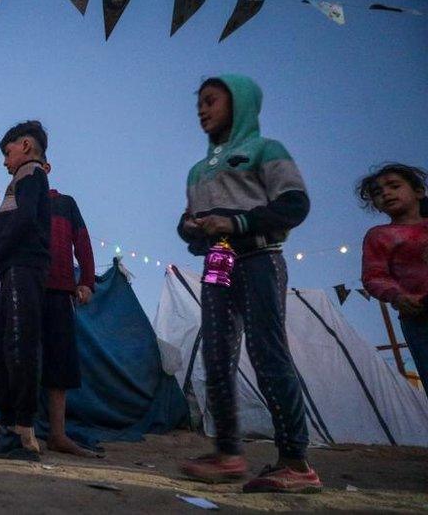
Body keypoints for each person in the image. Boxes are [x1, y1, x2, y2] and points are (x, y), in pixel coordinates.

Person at [177, 76, 322, 493]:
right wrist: (191, 227)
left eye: (211, 101)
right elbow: (187, 222)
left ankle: (296, 462)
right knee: (217, 353)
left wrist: (237, 222)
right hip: (218, 259)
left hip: (258, 256)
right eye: (198, 104)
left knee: (266, 350)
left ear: (239, 104)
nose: (202, 110)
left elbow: (294, 204)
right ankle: (228, 453)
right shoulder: (197, 170)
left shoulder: (265, 149)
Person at [0, 120, 51, 461]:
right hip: (11, 270)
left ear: (26, 147)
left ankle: (23, 431)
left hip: (23, 269)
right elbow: (13, 221)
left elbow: (27, 220)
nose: (4, 161)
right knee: (1, 348)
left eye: (7, 152)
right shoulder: (19, 182)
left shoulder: (31, 174)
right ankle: (7, 425)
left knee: (18, 346)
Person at [41, 161, 97, 457]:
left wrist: (86, 280)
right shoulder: (17, 198)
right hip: (25, 288)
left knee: (59, 361)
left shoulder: (65, 203)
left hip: (60, 288)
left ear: (46, 168)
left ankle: (58, 434)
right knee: (19, 356)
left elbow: (83, 242)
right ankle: (15, 428)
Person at [358, 163, 428, 401]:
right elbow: (374, 275)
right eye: (378, 192)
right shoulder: (380, 236)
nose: (386, 193)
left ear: (418, 192)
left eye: (394, 186)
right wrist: (397, 296)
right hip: (419, 314)